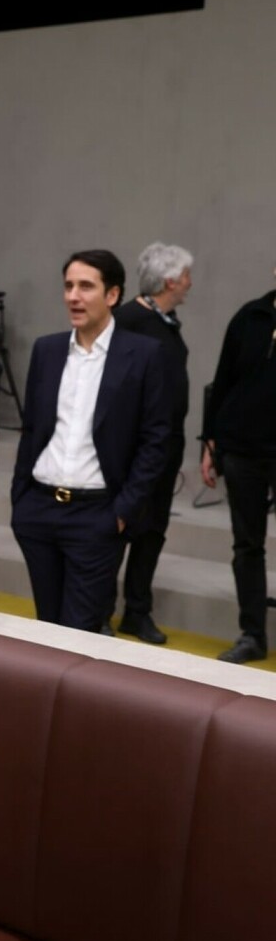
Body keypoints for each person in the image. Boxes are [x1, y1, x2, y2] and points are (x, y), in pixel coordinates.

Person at [11, 250, 169, 632]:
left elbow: (156, 440)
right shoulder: (47, 350)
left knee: (79, 633)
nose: (73, 296)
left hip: (97, 515)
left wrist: (122, 512)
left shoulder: (144, 355)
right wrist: (21, 499)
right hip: (39, 510)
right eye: (68, 286)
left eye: (85, 287)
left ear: (112, 295)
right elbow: (32, 429)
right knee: (46, 627)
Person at [111, 244, 193, 642]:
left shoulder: (167, 321)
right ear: (170, 281)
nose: (190, 283)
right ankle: (98, 610)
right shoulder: (127, 320)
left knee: (152, 532)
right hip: (133, 450)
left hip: (164, 447)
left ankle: (137, 611)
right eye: (187, 276)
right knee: (120, 529)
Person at [201, 265, 276, 663]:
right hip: (243, 450)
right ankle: (252, 635)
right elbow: (223, 380)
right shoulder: (250, 316)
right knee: (247, 546)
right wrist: (209, 441)